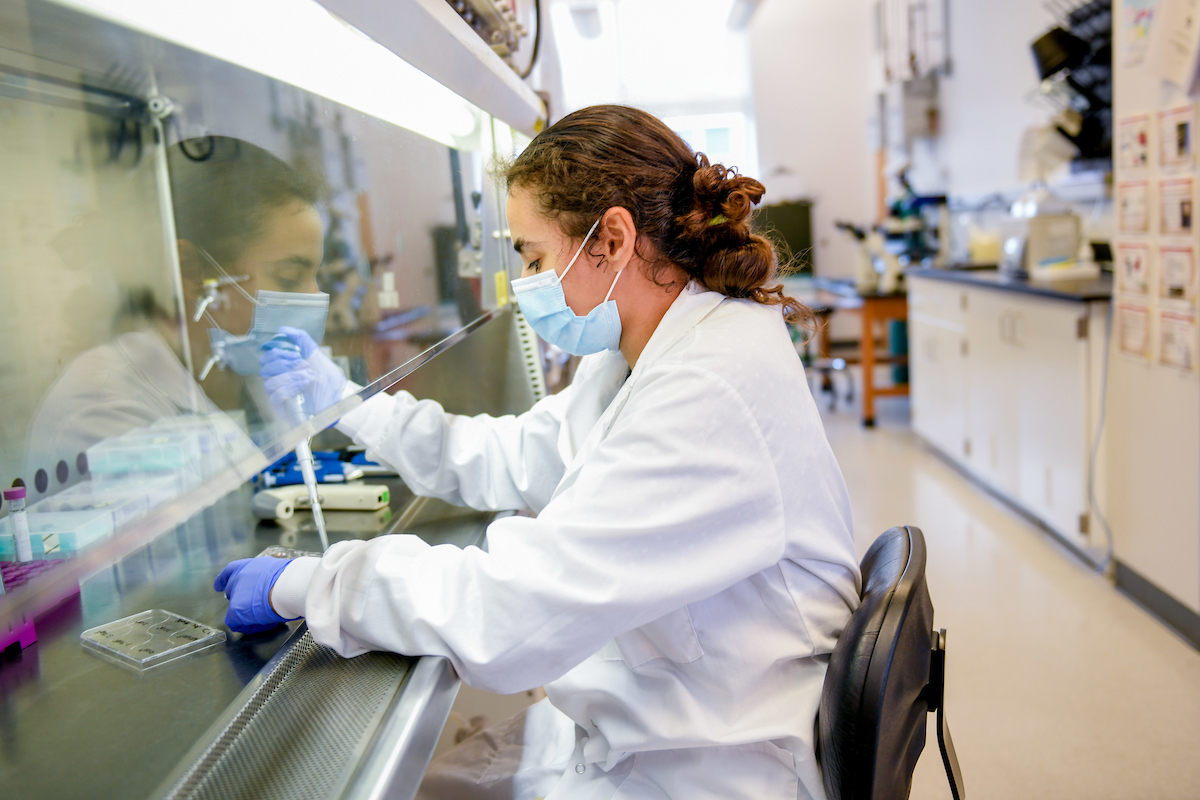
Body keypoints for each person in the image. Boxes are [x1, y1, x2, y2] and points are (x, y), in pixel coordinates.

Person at [215, 105, 861, 800]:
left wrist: (311, 583)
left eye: (533, 257)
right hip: (656, 724)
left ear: (610, 239)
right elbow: (515, 453)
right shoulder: (652, 350)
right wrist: (348, 403)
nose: (527, 284)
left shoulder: (708, 389)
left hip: (708, 768)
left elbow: (510, 618)